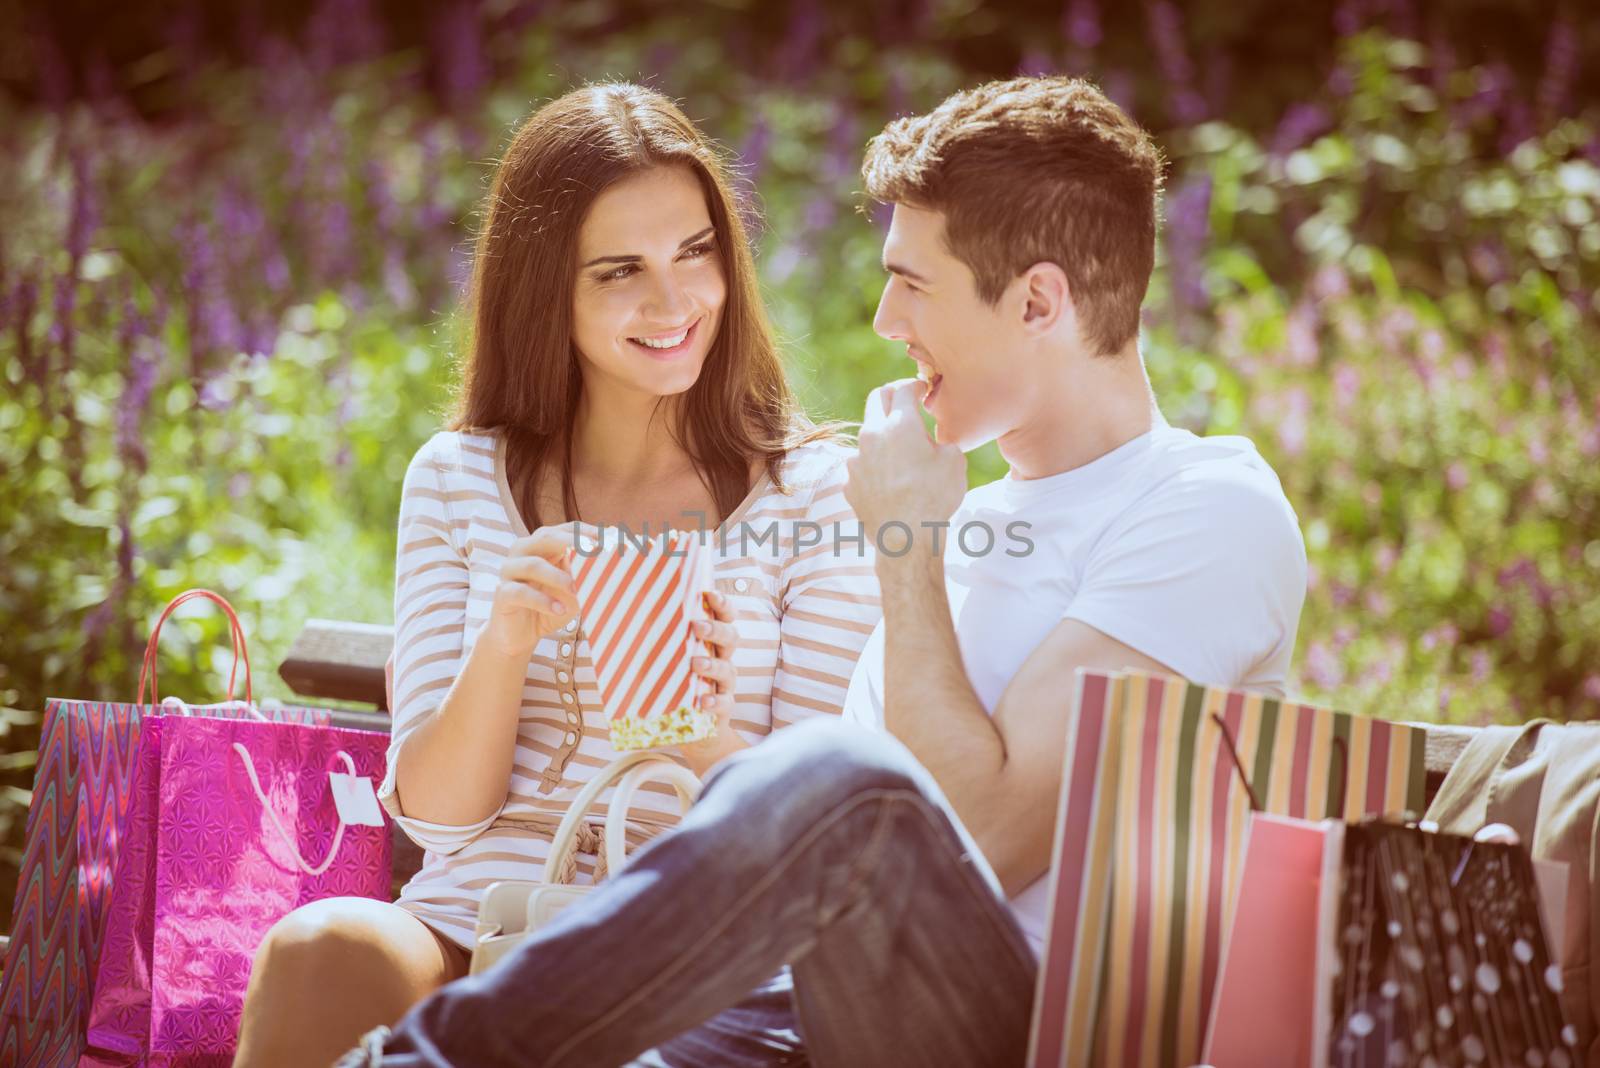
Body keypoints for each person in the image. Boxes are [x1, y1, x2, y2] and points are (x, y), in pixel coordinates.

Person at [335, 74, 1307, 1068]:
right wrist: (704, 733)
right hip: (806, 1012)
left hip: (1021, 1034)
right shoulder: (957, 521)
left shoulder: (1201, 510)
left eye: (914, 283)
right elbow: (811, 868)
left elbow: (977, 841)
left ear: (1038, 301)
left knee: (845, 781)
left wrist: (910, 557)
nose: (885, 321)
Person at [233, 82, 881, 1068]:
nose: (672, 302)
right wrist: (503, 646)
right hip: (473, 924)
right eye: (620, 271)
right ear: (548, 294)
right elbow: (438, 816)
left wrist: (707, 739)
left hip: (683, 948)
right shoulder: (457, 477)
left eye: (695, 251)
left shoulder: (815, 494)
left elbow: (807, 855)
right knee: (325, 946)